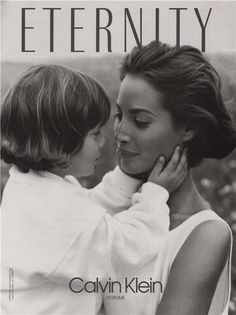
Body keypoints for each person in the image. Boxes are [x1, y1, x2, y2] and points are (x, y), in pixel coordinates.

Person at [0, 64, 187, 315]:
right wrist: (155, 195)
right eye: (95, 134)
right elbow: (126, 252)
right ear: (59, 142)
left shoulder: (31, 186)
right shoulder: (56, 211)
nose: (104, 140)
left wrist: (125, 178)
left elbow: (88, 213)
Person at [102, 41, 236, 315]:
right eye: (119, 115)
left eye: (140, 121)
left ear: (188, 128)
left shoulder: (206, 234)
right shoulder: (112, 205)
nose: (120, 133)